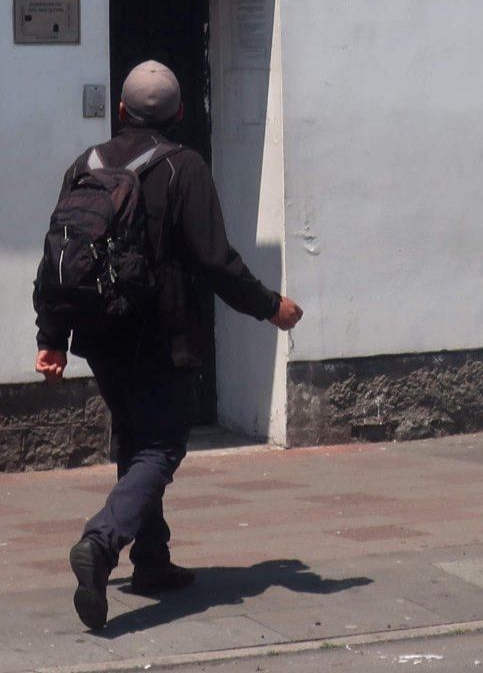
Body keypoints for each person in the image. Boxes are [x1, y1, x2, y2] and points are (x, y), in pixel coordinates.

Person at [34, 61, 305, 630]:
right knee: (160, 448)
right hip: (163, 334)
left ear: (123, 111)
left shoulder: (84, 165)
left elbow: (57, 254)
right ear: (181, 114)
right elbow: (215, 261)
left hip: (101, 333)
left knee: (135, 441)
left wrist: (52, 338)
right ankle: (102, 544)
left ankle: (151, 561)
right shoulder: (184, 167)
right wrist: (270, 306)